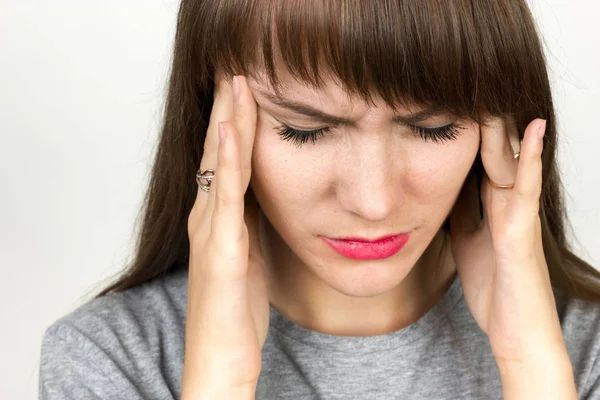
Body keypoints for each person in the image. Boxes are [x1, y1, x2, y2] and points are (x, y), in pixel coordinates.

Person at [39, 0, 600, 399]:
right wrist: (220, 379)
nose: (374, 201)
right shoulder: (109, 359)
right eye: (304, 131)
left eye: (433, 128)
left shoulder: (584, 348)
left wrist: (532, 362)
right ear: (212, 113)